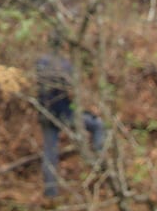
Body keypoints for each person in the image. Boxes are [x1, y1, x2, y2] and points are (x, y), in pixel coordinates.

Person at [36, 52, 105, 198]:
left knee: (50, 155)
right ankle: (100, 167)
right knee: (97, 125)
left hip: (47, 115)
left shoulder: (41, 63)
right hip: (62, 115)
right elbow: (74, 88)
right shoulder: (64, 65)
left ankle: (50, 193)